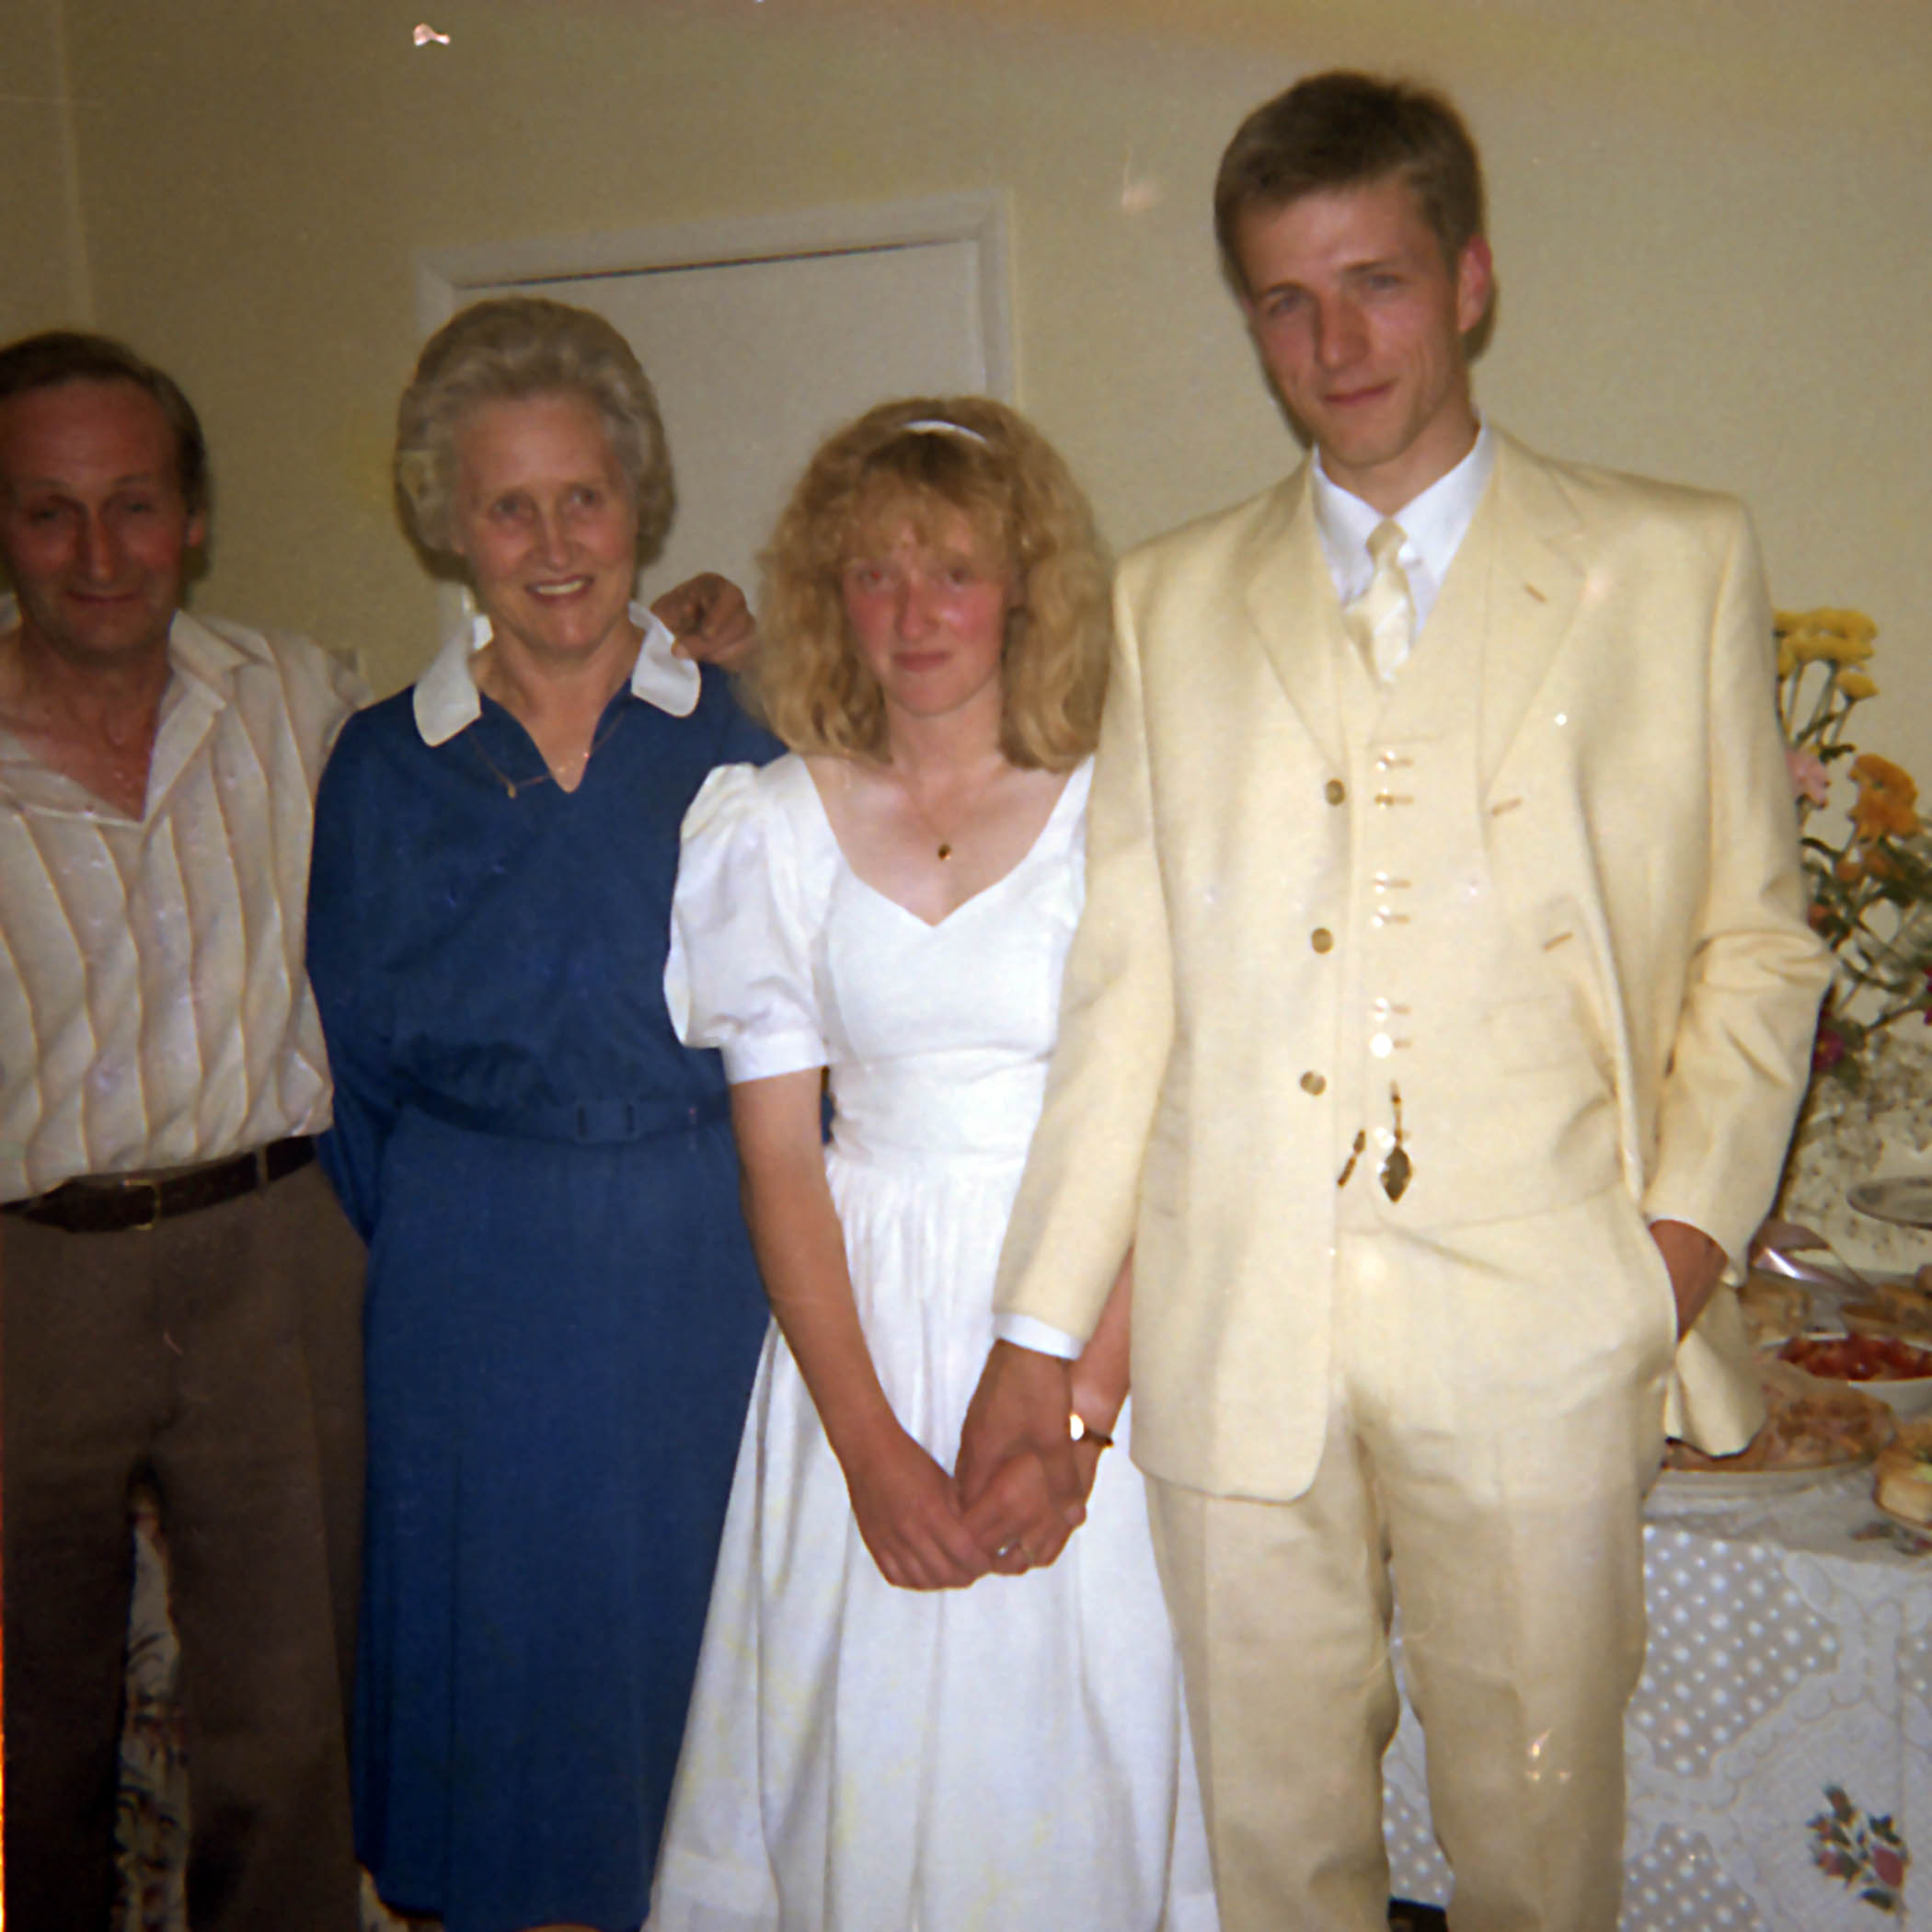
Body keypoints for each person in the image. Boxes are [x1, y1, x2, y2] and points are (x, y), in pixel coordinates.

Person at [956, 72, 1832, 1932]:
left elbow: (1760, 939)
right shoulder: (1173, 598)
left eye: (1376, 283)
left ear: (1473, 281)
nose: (1333, 341)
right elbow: (1129, 991)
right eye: (1286, 298)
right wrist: (1041, 1331)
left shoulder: (1666, 560)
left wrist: (1672, 1247)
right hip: (1232, 1332)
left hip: (1542, 1321)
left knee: (1534, 1849)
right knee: (1275, 1864)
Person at [650, 397, 1216, 1932]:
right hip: (865, 1338)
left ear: (1024, 588)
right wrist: (871, 1449)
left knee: (1085, 1766)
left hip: (1094, 1324)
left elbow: (1172, 1141)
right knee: (869, 1765)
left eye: (952, 571)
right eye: (875, 575)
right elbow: (781, 1166)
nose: (913, 615)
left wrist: (1088, 1420)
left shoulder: (1123, 815)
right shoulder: (767, 830)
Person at [304, 295, 776, 1932]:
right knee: (508, 1715)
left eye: (585, 497)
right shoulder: (383, 764)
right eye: (510, 505)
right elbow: (352, 1076)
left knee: (704, 1708)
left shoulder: (740, 742)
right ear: (454, 524)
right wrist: (479, 1218)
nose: (555, 542)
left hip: (707, 1276)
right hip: (472, 1303)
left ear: (639, 502)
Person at [0, 328, 369, 1928]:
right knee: (32, 1724)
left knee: (294, 1714)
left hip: (272, 1252)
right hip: (30, 1281)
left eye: (135, 505)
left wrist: (676, 634)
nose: (99, 554)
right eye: (48, 512)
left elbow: (515, 721)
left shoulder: (301, 700)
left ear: (194, 518)